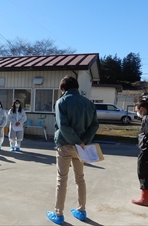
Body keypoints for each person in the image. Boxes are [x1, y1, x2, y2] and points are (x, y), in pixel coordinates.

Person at [46, 75, 99, 225]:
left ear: (63, 88)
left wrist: (76, 140)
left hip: (65, 145)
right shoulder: (88, 103)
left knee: (62, 179)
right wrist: (83, 141)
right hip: (82, 147)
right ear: (76, 87)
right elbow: (95, 125)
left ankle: (59, 214)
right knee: (80, 178)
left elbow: (63, 126)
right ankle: (81, 210)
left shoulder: (61, 102)